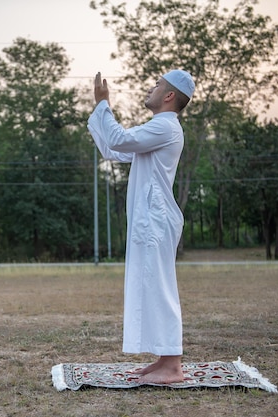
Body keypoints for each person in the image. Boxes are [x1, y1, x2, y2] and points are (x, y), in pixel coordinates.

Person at [87, 69, 195, 384]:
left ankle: (173, 366)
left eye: (157, 84)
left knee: (159, 287)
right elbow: (113, 149)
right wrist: (100, 111)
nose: (151, 88)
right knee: (151, 285)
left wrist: (104, 105)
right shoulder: (157, 128)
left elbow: (119, 138)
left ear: (170, 95)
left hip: (156, 221)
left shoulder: (165, 126)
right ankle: (164, 358)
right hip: (151, 220)